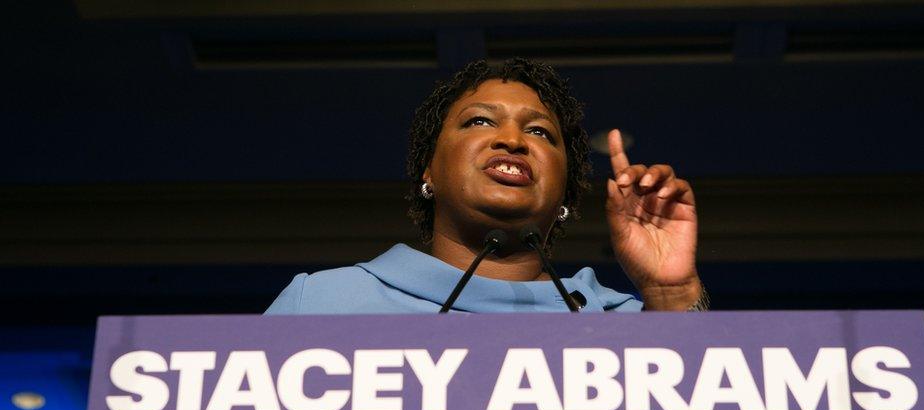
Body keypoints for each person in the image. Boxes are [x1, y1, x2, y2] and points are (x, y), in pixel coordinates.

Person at [266, 58, 706, 315]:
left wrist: (671, 294)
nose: (512, 140)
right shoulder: (324, 303)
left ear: (565, 196)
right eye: (479, 121)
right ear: (429, 171)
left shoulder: (623, 322)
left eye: (539, 133)